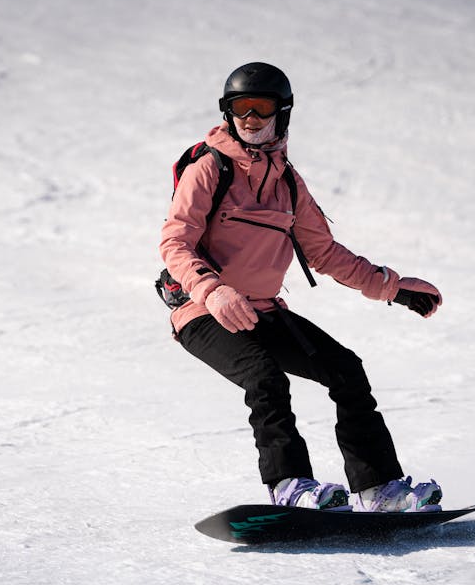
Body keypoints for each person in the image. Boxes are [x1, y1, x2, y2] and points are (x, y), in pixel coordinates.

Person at [159, 62, 445, 512]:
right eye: (240, 108)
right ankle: (289, 486)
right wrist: (212, 290)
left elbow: (325, 253)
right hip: (203, 312)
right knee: (264, 378)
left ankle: (379, 488)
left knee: (346, 369)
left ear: (282, 114)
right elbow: (175, 241)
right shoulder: (209, 169)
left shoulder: (289, 184)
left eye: (261, 108)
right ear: (227, 112)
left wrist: (391, 287)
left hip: (265, 310)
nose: (250, 119)